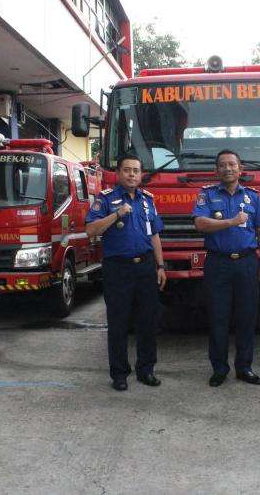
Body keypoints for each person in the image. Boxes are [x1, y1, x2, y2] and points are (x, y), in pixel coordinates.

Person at [87, 153, 167, 391]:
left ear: (141, 174)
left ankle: (146, 370)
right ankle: (120, 374)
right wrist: (116, 214)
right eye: (127, 170)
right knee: (119, 322)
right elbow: (91, 229)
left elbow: (154, 235)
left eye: (136, 170)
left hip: (145, 266)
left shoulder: (147, 200)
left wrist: (160, 266)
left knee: (148, 321)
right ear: (119, 173)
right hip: (117, 268)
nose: (132, 174)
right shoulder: (105, 199)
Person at [193, 149, 260, 387]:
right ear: (216, 170)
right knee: (218, 317)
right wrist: (231, 222)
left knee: (247, 317)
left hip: (248, 262)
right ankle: (219, 369)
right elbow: (200, 224)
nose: (228, 169)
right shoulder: (206, 195)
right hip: (218, 263)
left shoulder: (254, 197)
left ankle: (244, 367)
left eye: (232, 165)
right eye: (223, 165)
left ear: (240, 169)